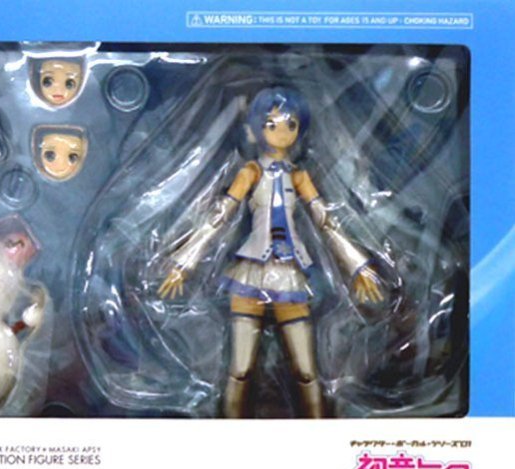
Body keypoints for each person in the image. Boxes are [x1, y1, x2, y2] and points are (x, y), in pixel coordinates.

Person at [159, 86, 384, 418]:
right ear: (255, 129)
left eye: (290, 124)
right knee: (240, 370)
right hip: (251, 273)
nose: (281, 131)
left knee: (306, 372)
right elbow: (219, 217)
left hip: (289, 274)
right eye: (271, 123)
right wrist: (184, 262)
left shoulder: (299, 176)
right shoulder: (250, 172)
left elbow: (326, 222)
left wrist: (357, 265)